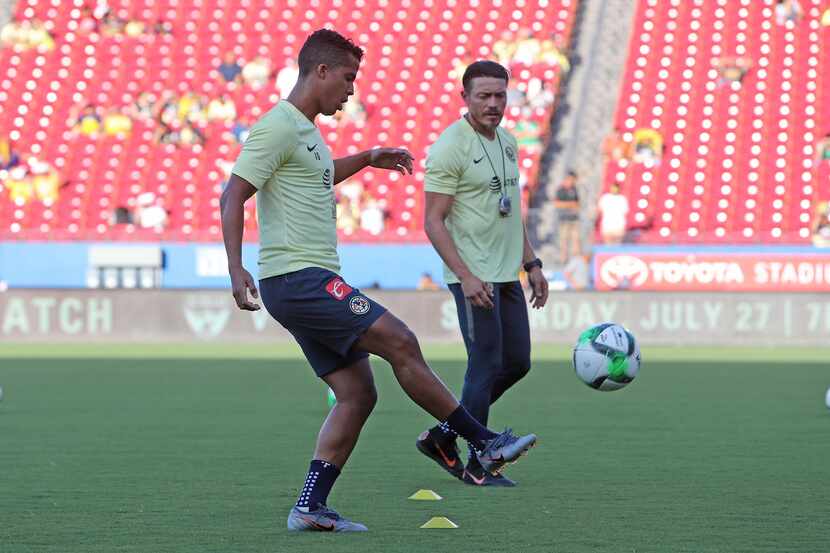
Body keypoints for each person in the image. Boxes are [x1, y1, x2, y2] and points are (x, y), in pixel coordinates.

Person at [219, 29, 536, 533]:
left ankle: (310, 506)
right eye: (347, 79)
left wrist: (366, 159)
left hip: (305, 279)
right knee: (400, 341)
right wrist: (236, 268)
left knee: (357, 393)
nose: (351, 91)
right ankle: (482, 440)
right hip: (299, 278)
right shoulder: (277, 127)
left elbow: (315, 176)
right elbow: (233, 194)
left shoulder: (306, 131)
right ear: (320, 72)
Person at [419, 60, 548, 487]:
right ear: (465, 98)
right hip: (474, 275)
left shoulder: (508, 141)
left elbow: (512, 214)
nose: (494, 104)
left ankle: (444, 435)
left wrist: (532, 263)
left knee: (517, 362)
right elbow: (433, 220)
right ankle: (478, 461)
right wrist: (465, 274)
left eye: (500, 96)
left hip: (508, 273)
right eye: (484, 96)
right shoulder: (450, 146)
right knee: (486, 362)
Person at [554, 170, 581, 263]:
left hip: (574, 219)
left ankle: (575, 261)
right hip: (564, 219)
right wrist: (570, 204)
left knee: (575, 241)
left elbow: (577, 203)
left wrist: (574, 205)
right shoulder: (561, 189)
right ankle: (563, 260)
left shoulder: (574, 189)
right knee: (564, 241)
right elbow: (557, 203)